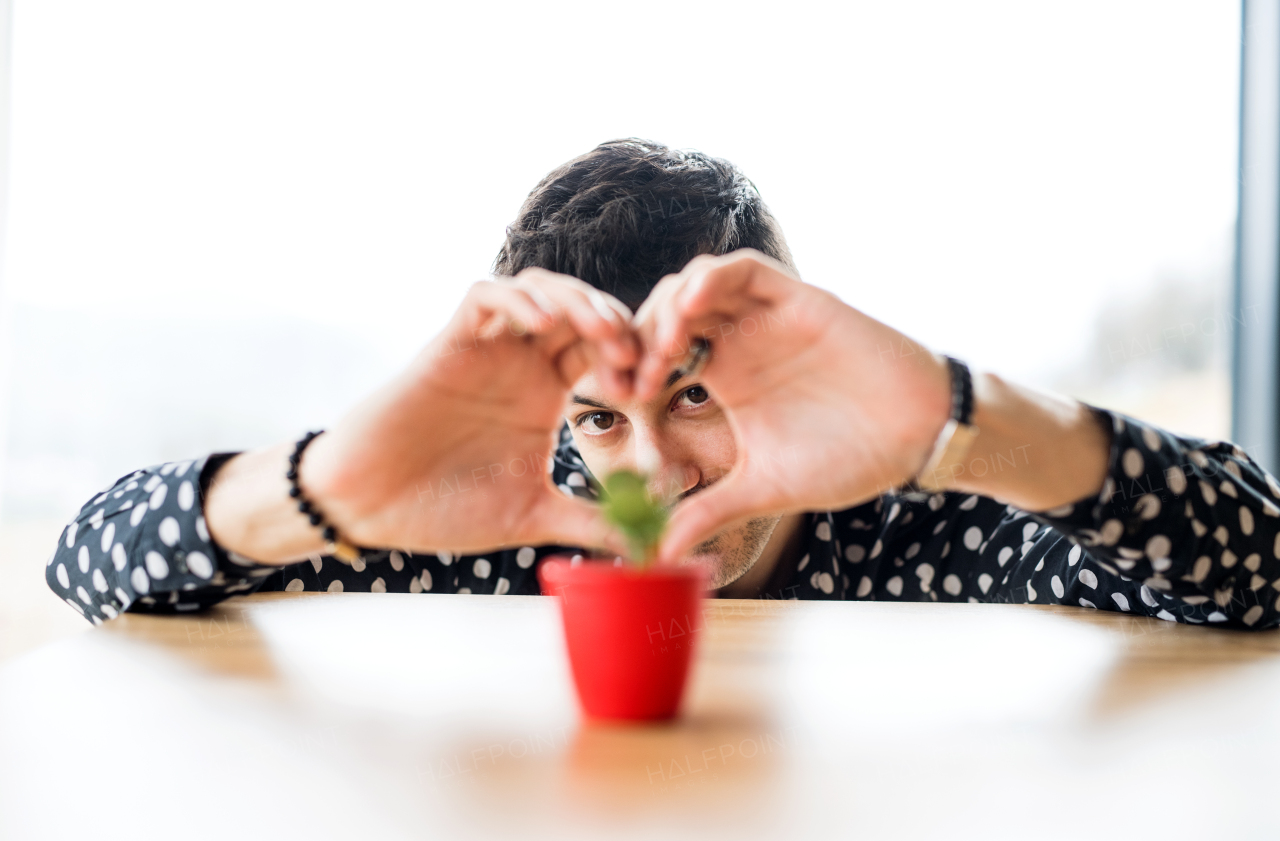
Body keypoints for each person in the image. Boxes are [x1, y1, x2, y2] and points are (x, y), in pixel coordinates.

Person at [46, 139, 1280, 629]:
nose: (652, 471)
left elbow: (1257, 566)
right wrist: (325, 486)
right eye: (596, 414)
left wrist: (962, 417)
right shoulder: (512, 517)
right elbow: (92, 562)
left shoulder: (911, 524)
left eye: (692, 396)